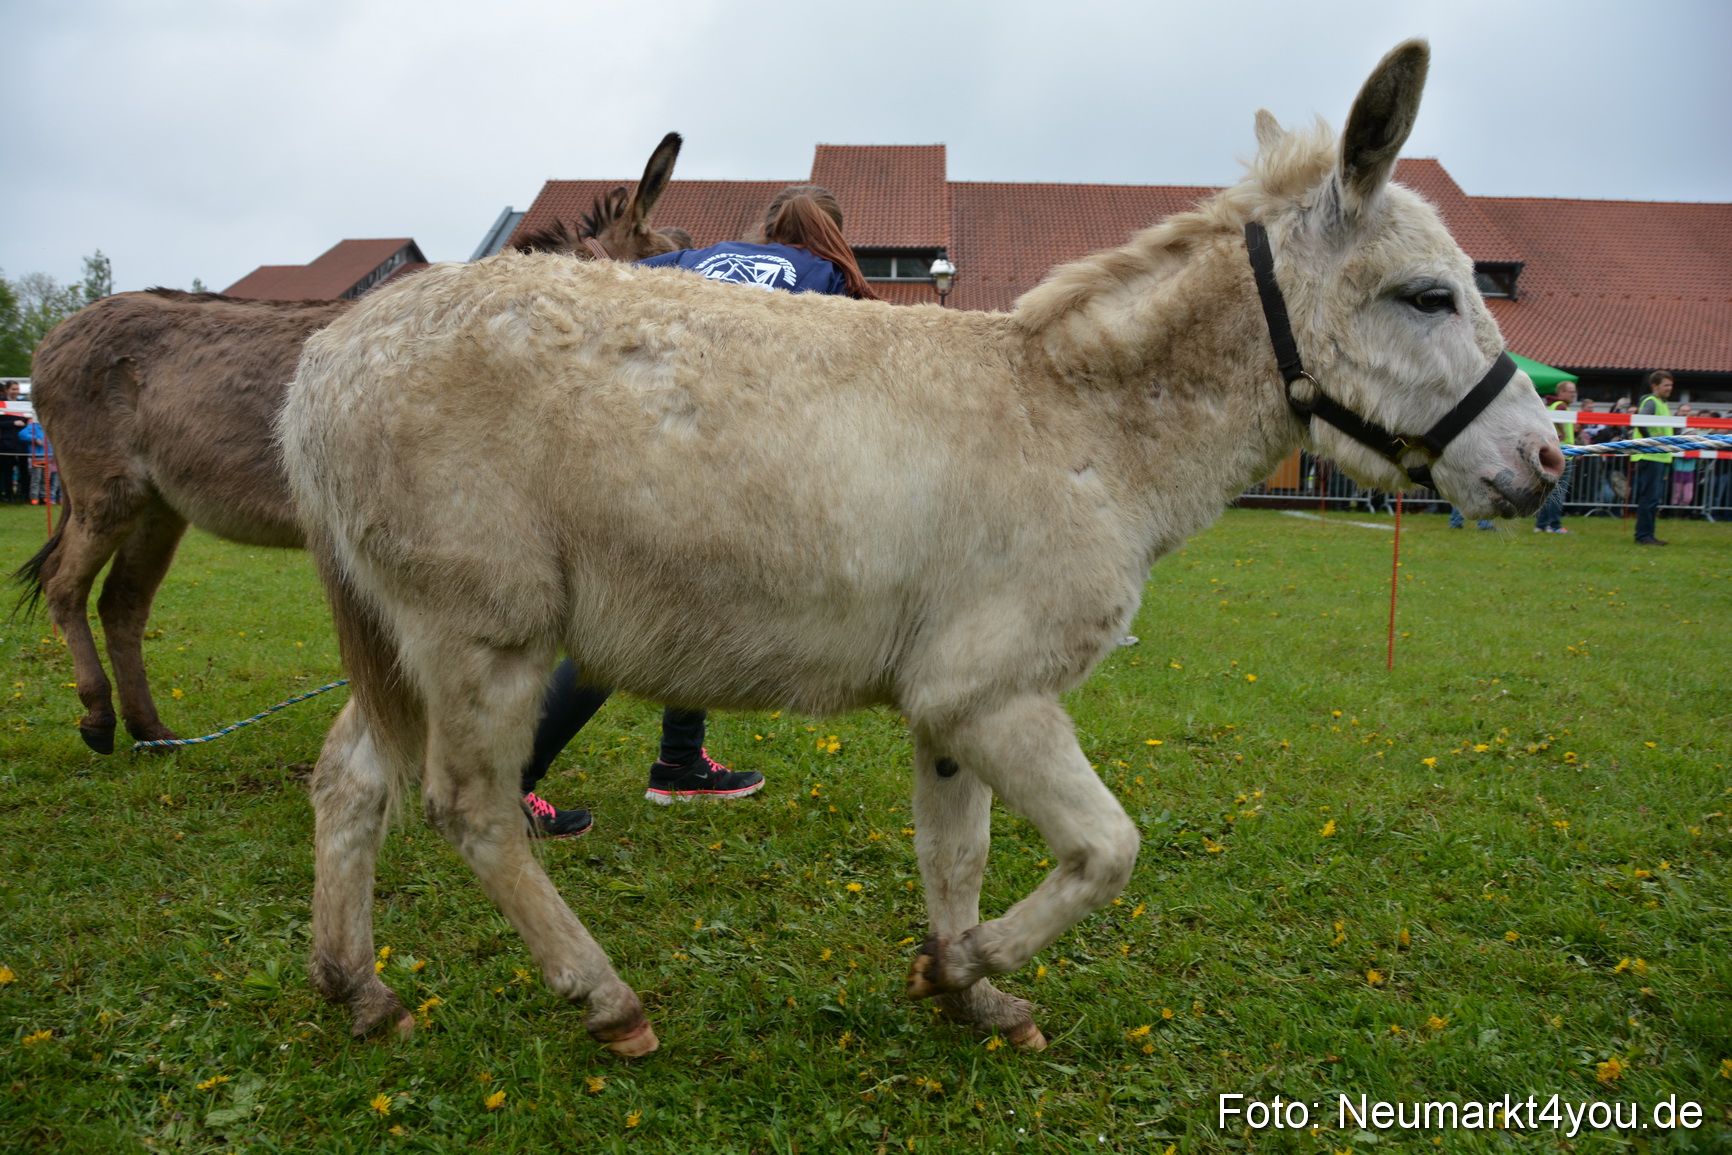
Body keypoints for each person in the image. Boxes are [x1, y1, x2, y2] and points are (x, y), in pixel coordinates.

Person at [522, 185, 882, 838]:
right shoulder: (826, 276)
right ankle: (507, 780)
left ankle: (681, 762)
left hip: (643, 449)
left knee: (688, 609)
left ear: (768, 226)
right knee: (633, 624)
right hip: (713, 470)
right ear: (830, 235)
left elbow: (603, 282)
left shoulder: (700, 259)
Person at [1632, 370, 1675, 545]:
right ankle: (1643, 536)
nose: (1670, 388)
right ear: (1655, 386)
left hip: (1659, 457)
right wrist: (1651, 440)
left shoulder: (1662, 404)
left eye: (1671, 385)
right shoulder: (1652, 402)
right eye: (1666, 385)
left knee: (1652, 499)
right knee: (1649, 498)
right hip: (1651, 456)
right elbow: (1641, 421)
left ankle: (1647, 534)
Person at [1534, 379, 1578, 532]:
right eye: (1571, 391)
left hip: (1557, 452)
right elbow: (1557, 422)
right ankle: (1554, 525)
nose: (1574, 394)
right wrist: (1563, 431)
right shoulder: (1561, 406)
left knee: (1549, 492)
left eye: (1574, 391)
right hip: (1564, 454)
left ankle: (1541, 525)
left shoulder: (1552, 406)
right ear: (1561, 392)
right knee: (1558, 492)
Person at [1, 383, 29, 504]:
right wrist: (13, 424)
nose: (15, 391)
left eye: (17, 389)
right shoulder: (2, 403)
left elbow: (28, 419)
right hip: (6, 442)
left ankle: (24, 495)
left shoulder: (22, 403)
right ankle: (9, 495)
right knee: (8, 470)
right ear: (7, 390)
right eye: (13, 389)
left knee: (24, 470)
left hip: (22, 442)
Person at [1668, 403, 1697, 510]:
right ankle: (1671, 511)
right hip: (1674, 466)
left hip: (1690, 468)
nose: (1685, 413)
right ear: (1678, 412)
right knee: (1675, 493)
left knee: (1687, 495)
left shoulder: (1694, 428)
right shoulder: (1673, 427)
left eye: (1687, 411)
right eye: (1683, 411)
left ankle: (1684, 512)